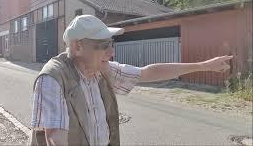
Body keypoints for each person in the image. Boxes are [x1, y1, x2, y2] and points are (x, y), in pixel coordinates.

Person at [29, 15, 232, 146]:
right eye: (103, 45)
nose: (111, 51)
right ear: (77, 47)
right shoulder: (52, 79)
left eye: (111, 43)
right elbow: (55, 138)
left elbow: (148, 73)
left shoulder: (102, 69)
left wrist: (204, 65)